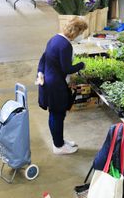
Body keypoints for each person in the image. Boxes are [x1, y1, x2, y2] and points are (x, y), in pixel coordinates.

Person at [36, 17, 88, 155]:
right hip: (56, 86)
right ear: (76, 31)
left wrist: (40, 72)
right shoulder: (65, 45)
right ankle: (58, 146)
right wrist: (81, 65)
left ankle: (59, 141)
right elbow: (67, 68)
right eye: (81, 32)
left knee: (56, 114)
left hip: (49, 81)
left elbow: (43, 58)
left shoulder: (54, 39)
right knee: (57, 115)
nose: (81, 35)